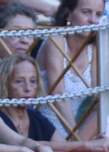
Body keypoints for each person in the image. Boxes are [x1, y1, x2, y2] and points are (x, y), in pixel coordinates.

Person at [40, 0, 105, 136]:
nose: (93, 20)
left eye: (98, 14)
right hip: (49, 132)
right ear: (68, 14)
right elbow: (58, 95)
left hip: (79, 133)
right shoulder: (55, 40)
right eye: (86, 12)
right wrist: (75, 137)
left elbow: (97, 98)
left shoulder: (95, 49)